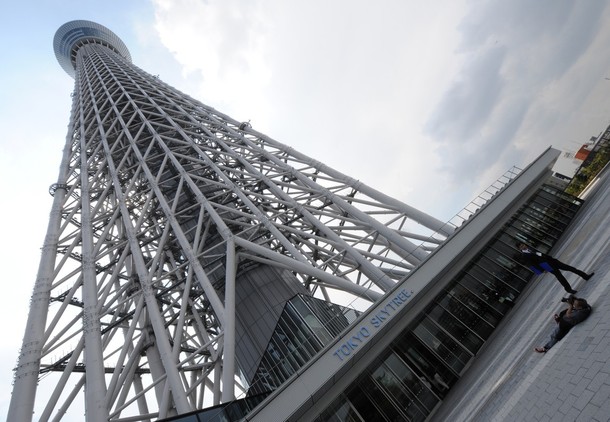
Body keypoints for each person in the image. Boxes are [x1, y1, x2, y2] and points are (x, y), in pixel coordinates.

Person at [517, 243, 594, 294]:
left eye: (523, 244)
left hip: (552, 261)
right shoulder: (524, 256)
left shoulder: (531, 249)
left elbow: (541, 254)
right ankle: (569, 290)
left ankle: (585, 276)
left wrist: (551, 258)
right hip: (546, 265)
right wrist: (542, 270)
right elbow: (532, 264)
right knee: (560, 276)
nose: (523, 246)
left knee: (570, 268)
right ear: (519, 249)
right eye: (521, 246)